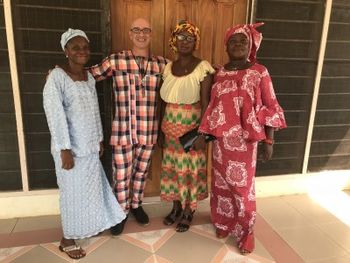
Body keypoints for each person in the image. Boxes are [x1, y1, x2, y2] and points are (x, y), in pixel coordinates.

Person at [198, 23, 287, 254]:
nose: (237, 45)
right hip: (220, 142)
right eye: (233, 41)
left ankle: (246, 231)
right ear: (226, 46)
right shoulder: (219, 73)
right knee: (220, 186)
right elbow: (211, 105)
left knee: (242, 189)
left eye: (243, 41)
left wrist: (269, 140)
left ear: (250, 46)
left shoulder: (259, 72)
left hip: (245, 144)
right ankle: (223, 222)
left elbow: (271, 106)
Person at [43, 29, 126, 259]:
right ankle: (67, 239)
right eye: (75, 47)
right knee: (71, 193)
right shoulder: (57, 77)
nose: (82, 51)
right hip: (70, 151)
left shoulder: (88, 77)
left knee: (87, 193)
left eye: (85, 47)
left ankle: (83, 227)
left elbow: (94, 111)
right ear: (65, 51)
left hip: (89, 148)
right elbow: (55, 115)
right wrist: (64, 149)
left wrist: (99, 138)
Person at [89, 18, 167, 234]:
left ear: (151, 34)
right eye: (136, 30)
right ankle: (120, 212)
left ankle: (136, 205)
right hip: (123, 131)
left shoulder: (162, 64)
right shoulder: (116, 60)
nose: (141, 34)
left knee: (141, 173)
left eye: (146, 30)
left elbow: (181, 79)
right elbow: (89, 75)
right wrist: (63, 73)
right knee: (121, 175)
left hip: (149, 132)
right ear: (130, 34)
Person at [159, 21, 214, 232]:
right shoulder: (168, 68)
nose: (185, 42)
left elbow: (207, 105)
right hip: (169, 128)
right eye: (181, 37)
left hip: (191, 129)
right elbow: (162, 103)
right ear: (174, 40)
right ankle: (175, 207)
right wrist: (159, 132)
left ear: (195, 42)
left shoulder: (203, 67)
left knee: (189, 172)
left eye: (190, 38)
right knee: (173, 171)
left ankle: (189, 210)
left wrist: (202, 134)